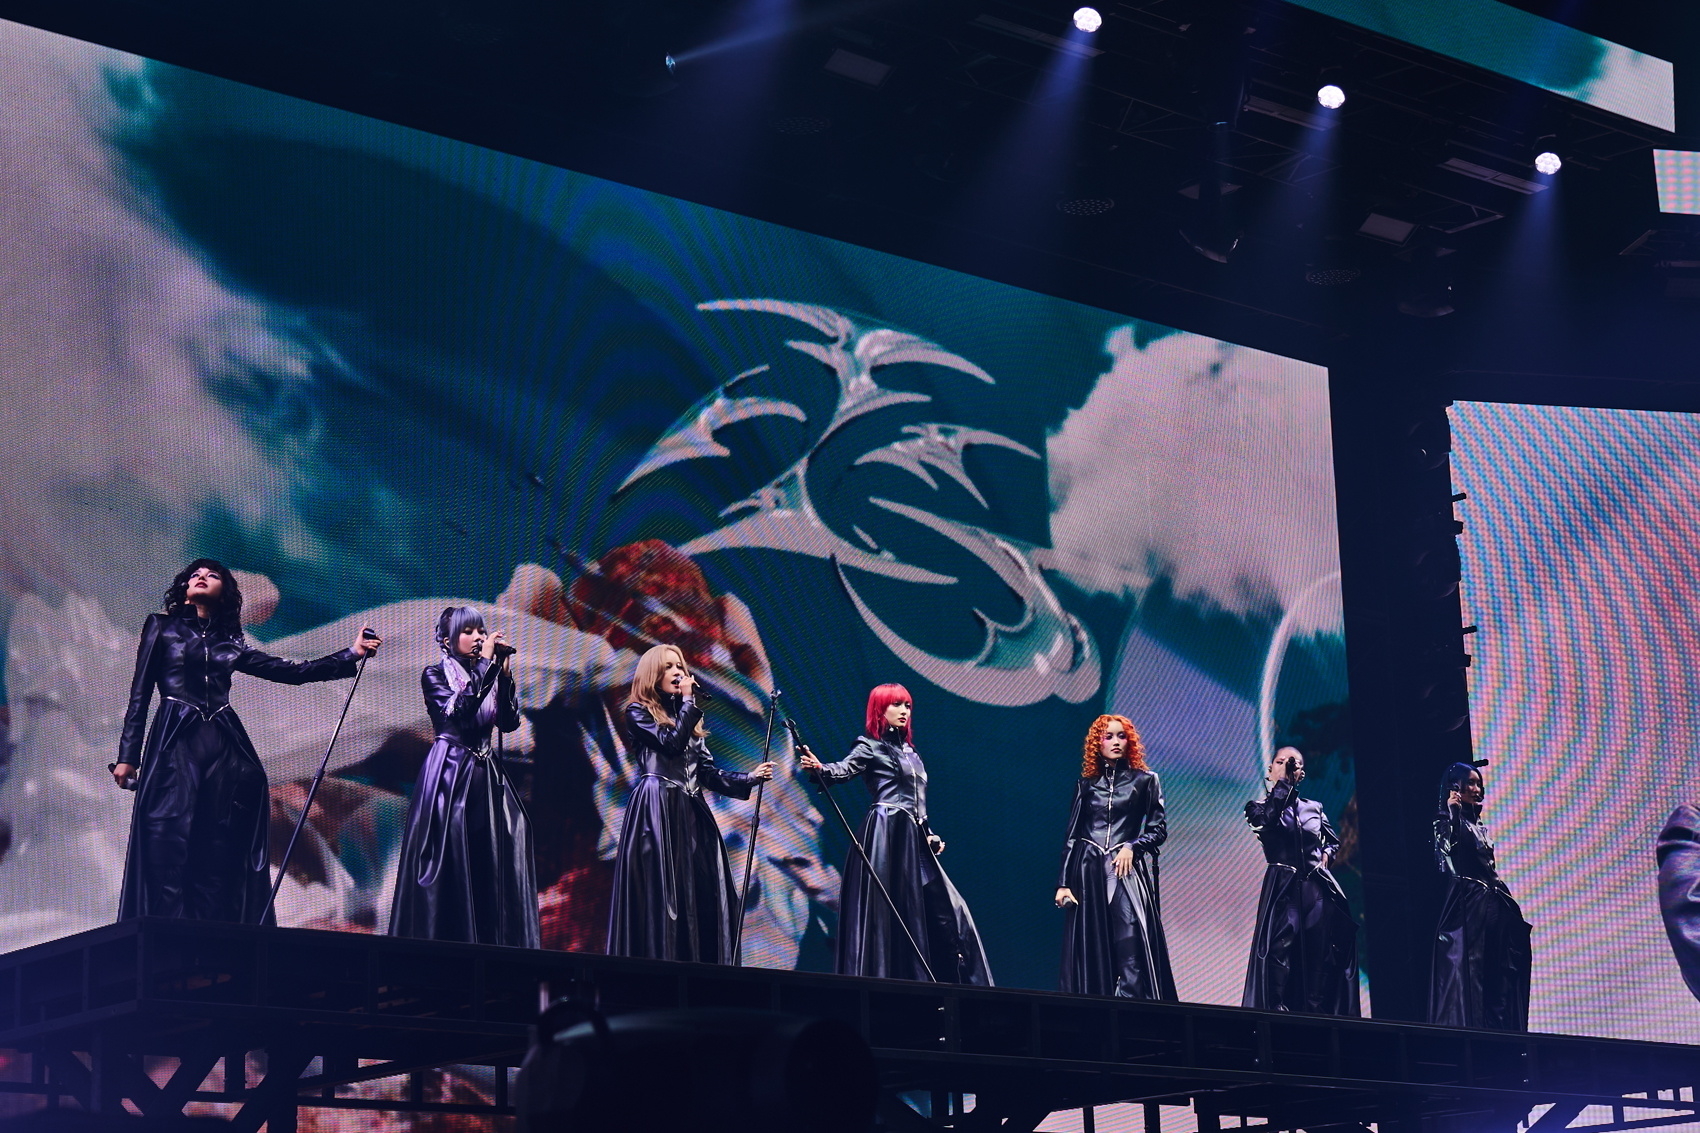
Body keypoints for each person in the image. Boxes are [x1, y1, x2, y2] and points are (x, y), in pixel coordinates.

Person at [112, 558, 380, 923]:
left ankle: (237, 925)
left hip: (224, 738)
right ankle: (167, 926)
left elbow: (292, 672)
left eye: (212, 576)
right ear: (184, 588)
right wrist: (128, 755)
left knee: (232, 831)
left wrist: (350, 655)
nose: (203, 579)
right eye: (196, 576)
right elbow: (140, 695)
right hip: (176, 735)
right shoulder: (161, 627)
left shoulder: (229, 640)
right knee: (170, 830)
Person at [798, 684, 992, 985]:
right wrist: (821, 768)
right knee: (888, 913)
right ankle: (889, 985)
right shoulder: (869, 746)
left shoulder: (913, 754)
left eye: (908, 706)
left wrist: (927, 833)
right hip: (886, 835)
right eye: (896, 705)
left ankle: (963, 988)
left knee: (952, 911)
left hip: (914, 840)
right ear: (880, 709)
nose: (904, 711)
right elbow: (844, 770)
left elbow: (918, 802)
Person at [606, 643, 775, 962]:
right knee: (663, 890)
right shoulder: (637, 712)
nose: (678, 673)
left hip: (693, 812)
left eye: (680, 667)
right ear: (652, 675)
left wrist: (749, 778)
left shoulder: (690, 722)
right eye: (669, 667)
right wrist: (688, 704)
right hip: (658, 809)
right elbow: (669, 745)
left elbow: (708, 773)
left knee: (703, 890)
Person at [389, 606, 538, 947]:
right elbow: (460, 711)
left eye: (481, 631)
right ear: (446, 640)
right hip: (450, 770)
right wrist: (486, 667)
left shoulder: (486, 673)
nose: (479, 637)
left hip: (485, 771)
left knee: (501, 847)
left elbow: (509, 723)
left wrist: (504, 673)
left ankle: (492, 940)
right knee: (449, 855)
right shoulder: (434, 674)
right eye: (469, 631)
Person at [1054, 714, 1175, 999]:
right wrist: (1062, 884)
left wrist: (1132, 845)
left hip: (1125, 870)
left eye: (1121, 736)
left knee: (1131, 937)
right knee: (1092, 945)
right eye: (1108, 736)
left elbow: (1158, 830)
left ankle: (1133, 1011)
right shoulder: (1085, 785)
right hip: (1088, 870)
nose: (1116, 742)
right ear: (1098, 743)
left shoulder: (1146, 781)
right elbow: (1072, 835)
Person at [1241, 747, 1359, 1015]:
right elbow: (1266, 822)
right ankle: (1277, 1013)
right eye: (1280, 762)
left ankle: (1314, 1016)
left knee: (1318, 954)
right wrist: (1282, 786)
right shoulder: (1257, 808)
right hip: (1283, 886)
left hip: (1315, 887)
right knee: (1279, 950)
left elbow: (1333, 840)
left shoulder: (1313, 808)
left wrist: (1326, 856)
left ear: (1302, 773)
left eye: (1293, 764)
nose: (1287, 766)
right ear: (1270, 771)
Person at [1429, 762, 1531, 1030]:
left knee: (1501, 973)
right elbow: (1444, 859)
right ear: (1455, 787)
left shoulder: (1480, 826)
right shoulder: (1445, 820)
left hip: (1495, 904)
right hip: (1471, 908)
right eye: (1471, 783)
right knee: (1473, 973)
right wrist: (1451, 813)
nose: (1477, 789)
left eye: (1479, 784)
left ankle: (1501, 1034)